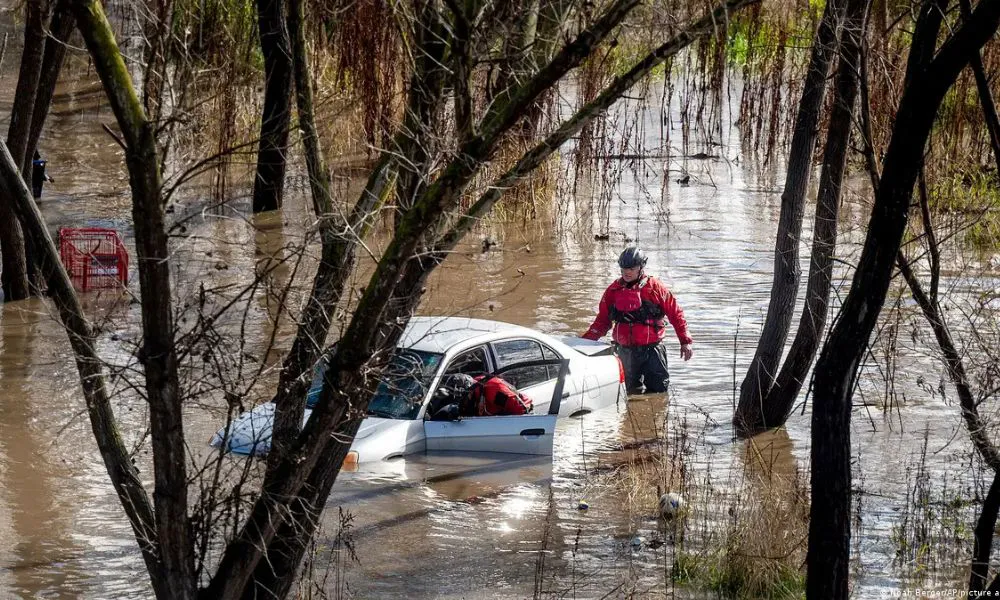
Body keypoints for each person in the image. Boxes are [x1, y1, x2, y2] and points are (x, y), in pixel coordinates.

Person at [582, 246, 693, 393]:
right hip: (625, 352)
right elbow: (602, 321)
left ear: (641, 268)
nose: (627, 272)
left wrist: (685, 342)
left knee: (658, 394)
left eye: (631, 268)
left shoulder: (655, 288)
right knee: (627, 394)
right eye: (623, 268)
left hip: (652, 351)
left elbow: (676, 313)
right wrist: (583, 344)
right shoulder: (613, 291)